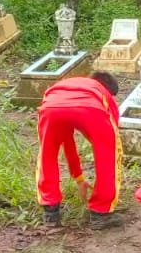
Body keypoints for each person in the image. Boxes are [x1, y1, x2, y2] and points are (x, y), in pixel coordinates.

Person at [38, 71, 122, 229]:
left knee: (46, 155)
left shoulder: (67, 84)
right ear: (109, 90)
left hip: (50, 107)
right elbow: (110, 140)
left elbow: (67, 141)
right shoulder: (103, 94)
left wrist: (79, 178)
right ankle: (100, 213)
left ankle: (50, 213)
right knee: (108, 155)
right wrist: (98, 140)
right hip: (90, 110)